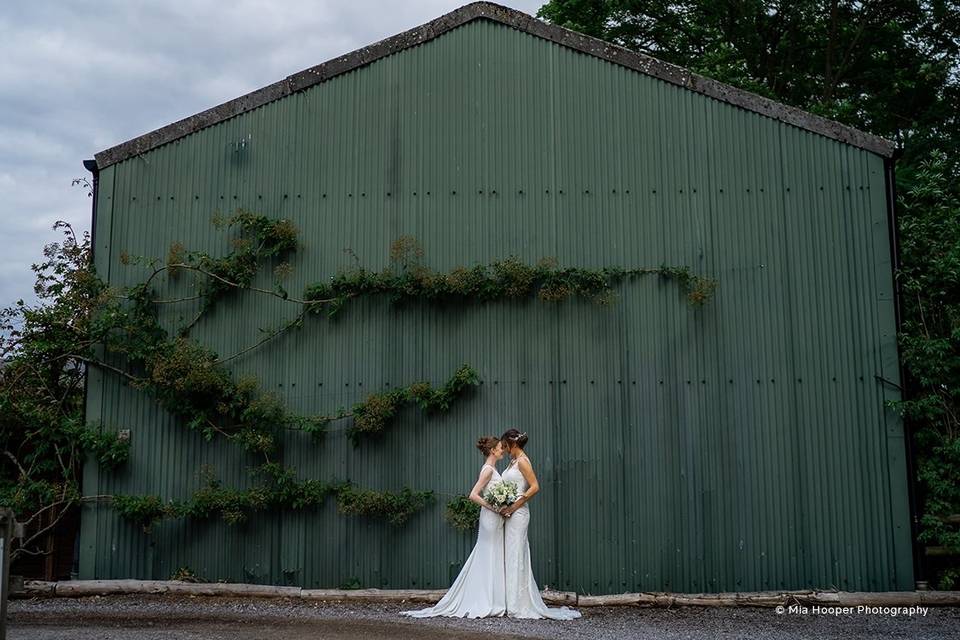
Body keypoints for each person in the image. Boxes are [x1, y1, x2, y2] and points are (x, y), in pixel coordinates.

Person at [400, 436, 508, 618]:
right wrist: (494, 508)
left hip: (494, 518)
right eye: (499, 448)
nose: (502, 450)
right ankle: (486, 599)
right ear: (492, 451)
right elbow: (473, 495)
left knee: (492, 554)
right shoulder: (488, 470)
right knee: (488, 554)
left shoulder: (492, 469)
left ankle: (493, 597)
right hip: (490, 518)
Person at [499, 428, 582, 620]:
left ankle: (518, 604)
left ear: (513, 444)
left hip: (518, 514)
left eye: (505, 446)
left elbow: (535, 486)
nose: (504, 450)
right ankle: (510, 600)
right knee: (511, 554)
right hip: (510, 513)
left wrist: (513, 506)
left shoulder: (523, 461)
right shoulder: (513, 462)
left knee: (517, 554)